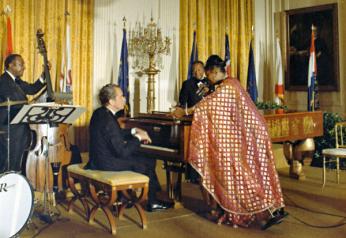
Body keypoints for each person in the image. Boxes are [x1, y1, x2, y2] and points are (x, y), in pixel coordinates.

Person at [188, 55, 286, 229]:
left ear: (214, 71)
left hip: (247, 138)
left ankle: (266, 209)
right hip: (245, 137)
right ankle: (267, 209)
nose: (207, 78)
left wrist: (187, 111)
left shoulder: (227, 88)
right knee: (249, 175)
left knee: (245, 176)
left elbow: (208, 106)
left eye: (208, 74)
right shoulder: (231, 83)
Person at [85, 84, 171, 212]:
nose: (124, 99)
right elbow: (122, 152)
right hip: (106, 164)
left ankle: (125, 198)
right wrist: (138, 138)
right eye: (121, 96)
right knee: (147, 162)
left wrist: (133, 131)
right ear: (111, 101)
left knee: (143, 158)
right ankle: (152, 202)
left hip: (99, 160)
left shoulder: (100, 113)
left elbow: (114, 134)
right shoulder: (108, 119)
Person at [0, 54, 46, 173]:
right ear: (10, 65)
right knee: (7, 163)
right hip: (8, 131)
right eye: (21, 64)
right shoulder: (3, 81)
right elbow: (11, 101)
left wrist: (43, 76)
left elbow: (32, 89)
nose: (24, 67)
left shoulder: (17, 81)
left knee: (17, 163)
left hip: (20, 129)